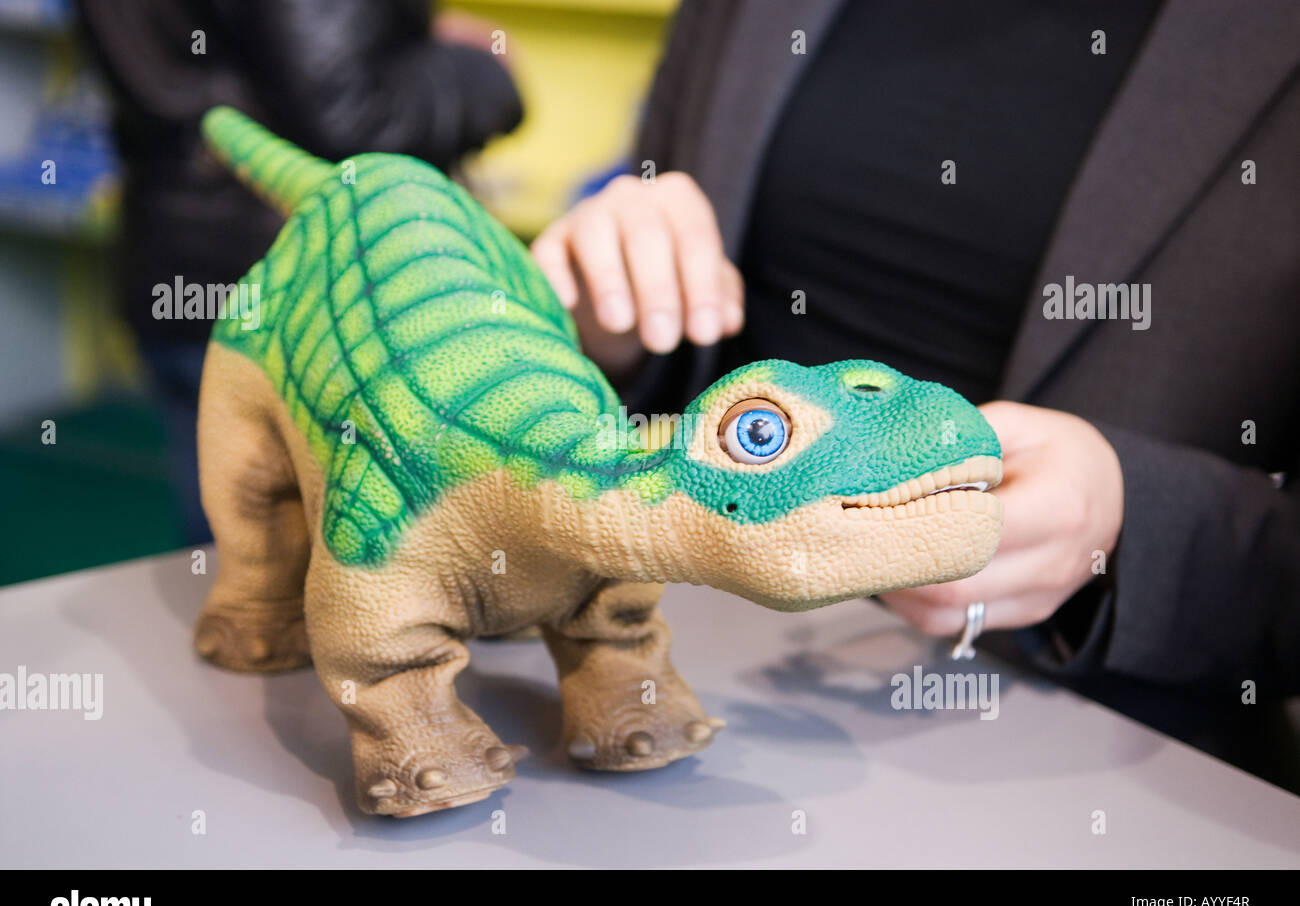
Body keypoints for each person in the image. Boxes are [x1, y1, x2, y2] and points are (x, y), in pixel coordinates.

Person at [530, 0, 1300, 791]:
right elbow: (683, 341)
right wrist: (612, 322)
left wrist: (1135, 523)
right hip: (676, 653)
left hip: (1096, 764)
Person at [75, 0, 522, 543]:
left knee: (240, 568)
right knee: (359, 575)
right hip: (311, 293)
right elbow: (353, 119)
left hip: (181, 259)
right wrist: (476, 68)